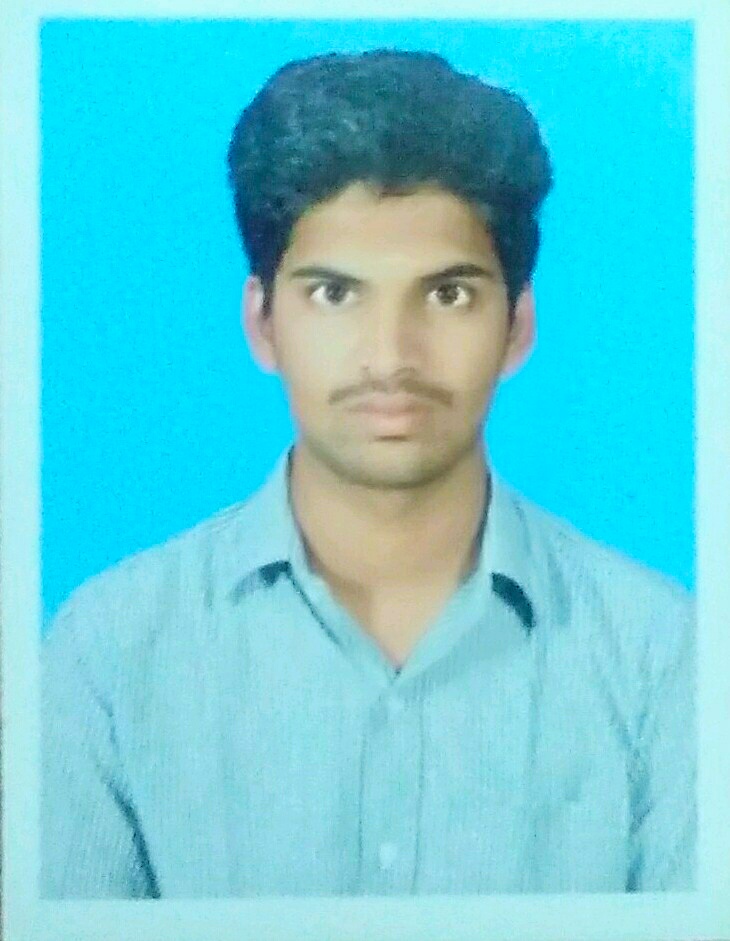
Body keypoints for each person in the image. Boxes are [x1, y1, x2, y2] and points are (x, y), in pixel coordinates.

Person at [41, 49, 696, 898]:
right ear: (262, 323)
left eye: (448, 294)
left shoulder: (663, 657)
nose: (390, 357)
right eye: (335, 294)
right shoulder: (106, 655)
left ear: (518, 326)